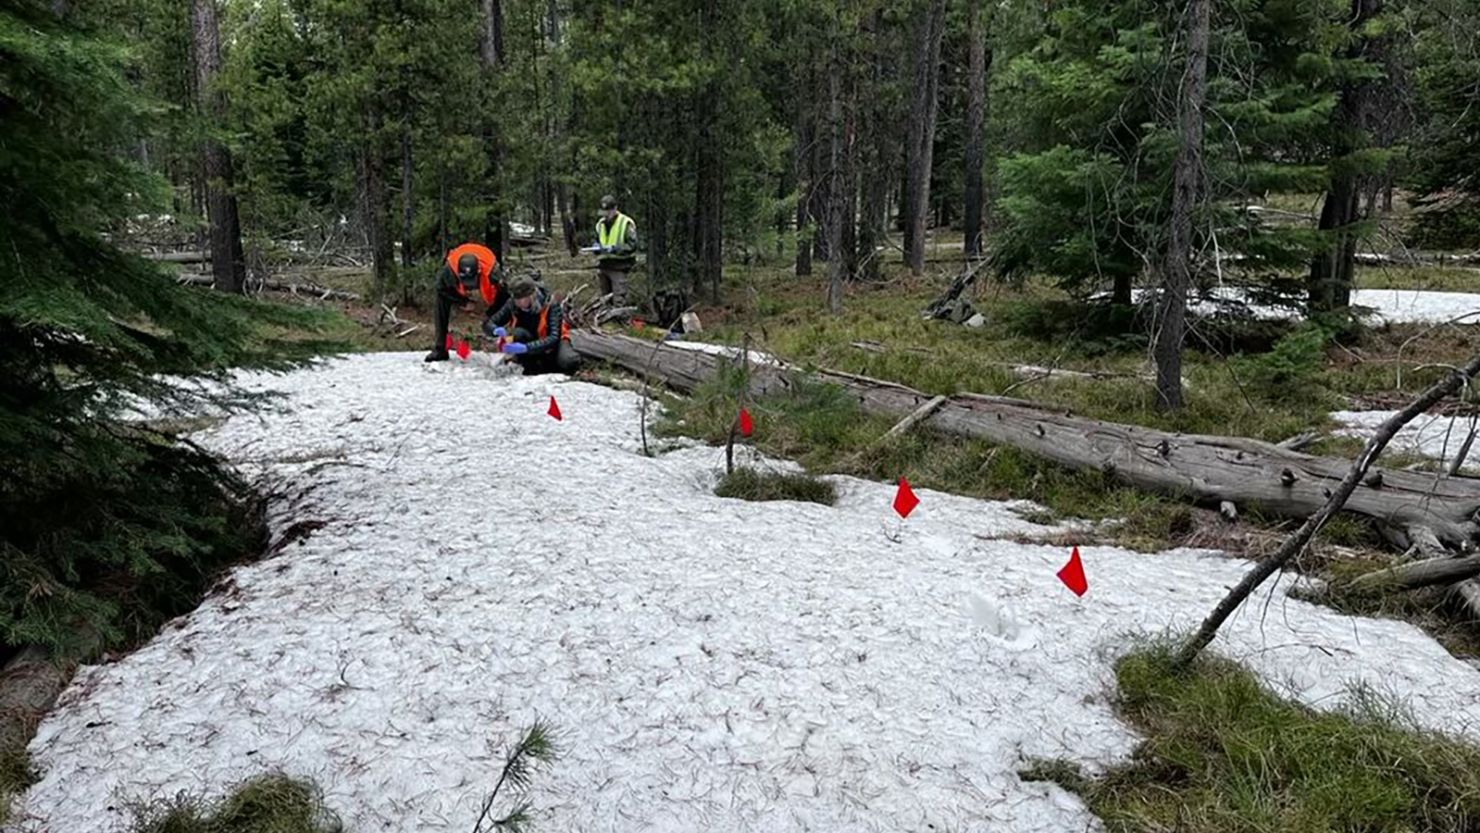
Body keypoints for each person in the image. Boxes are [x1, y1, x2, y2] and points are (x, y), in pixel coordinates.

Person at [426, 242, 505, 362]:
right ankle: (440, 349)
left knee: (506, 303)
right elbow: (440, 288)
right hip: (457, 280)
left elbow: (506, 294)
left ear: (478, 272)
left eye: (471, 281)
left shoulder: (493, 272)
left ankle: (508, 344)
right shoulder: (449, 270)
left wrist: (491, 314)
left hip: (487, 267)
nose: (469, 286)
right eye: (466, 281)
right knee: (440, 300)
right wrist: (462, 302)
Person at [484, 277, 581, 375]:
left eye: (522, 299)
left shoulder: (550, 304)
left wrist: (526, 348)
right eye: (517, 299)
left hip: (553, 343)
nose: (519, 303)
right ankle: (527, 364)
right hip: (529, 340)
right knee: (516, 333)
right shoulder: (512, 303)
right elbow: (490, 322)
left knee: (568, 361)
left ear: (532, 295)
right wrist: (494, 330)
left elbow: (553, 337)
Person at [593, 194, 638, 305]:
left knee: (619, 299)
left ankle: (620, 320)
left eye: (608, 211)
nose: (606, 215)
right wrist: (596, 247)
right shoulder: (600, 224)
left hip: (619, 266)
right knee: (604, 300)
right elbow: (596, 240)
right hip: (604, 265)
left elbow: (632, 245)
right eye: (604, 212)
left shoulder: (626, 223)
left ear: (615, 208)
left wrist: (616, 249)